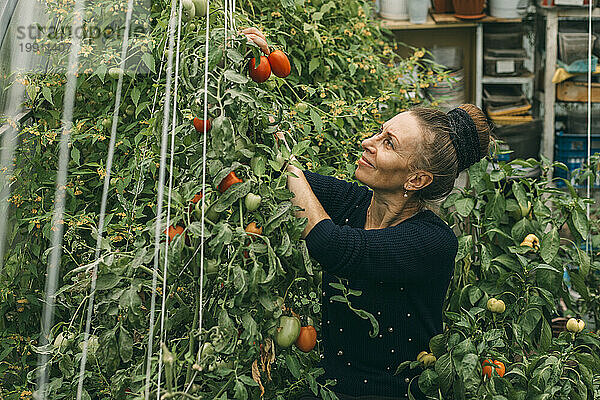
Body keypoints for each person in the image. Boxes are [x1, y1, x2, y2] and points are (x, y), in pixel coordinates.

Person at [243, 30, 492, 400]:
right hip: (328, 390)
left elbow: (333, 246)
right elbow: (269, 171)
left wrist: (287, 157)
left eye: (387, 143)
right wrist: (249, 66)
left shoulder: (433, 241)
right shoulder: (353, 203)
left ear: (417, 179)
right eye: (379, 132)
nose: (367, 142)